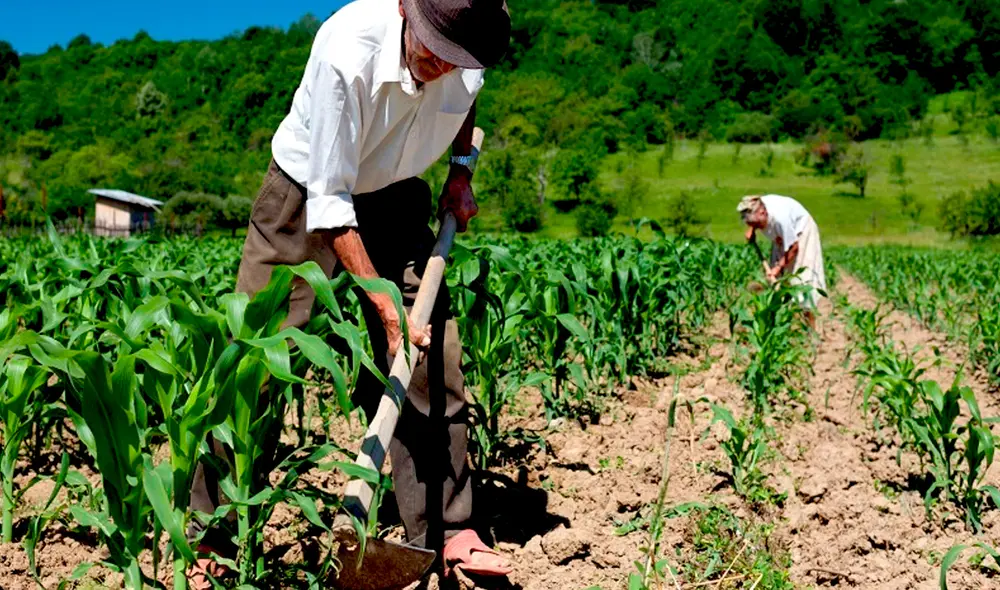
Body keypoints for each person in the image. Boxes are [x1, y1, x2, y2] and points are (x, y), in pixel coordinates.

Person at [186, 0, 513, 586]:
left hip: (398, 194)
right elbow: (330, 203)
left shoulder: (469, 44)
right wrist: (387, 310)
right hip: (306, 199)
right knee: (256, 360)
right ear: (406, 10)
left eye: (455, 60)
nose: (442, 67)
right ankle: (215, 529)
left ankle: (445, 525)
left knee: (432, 357)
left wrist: (459, 171)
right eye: (433, 51)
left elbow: (465, 102)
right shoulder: (347, 50)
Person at [737, 194, 826, 328]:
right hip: (782, 236)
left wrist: (778, 267)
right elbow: (752, 215)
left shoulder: (781, 219)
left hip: (802, 233)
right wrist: (752, 229)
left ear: (763, 213)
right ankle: (781, 325)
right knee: (776, 282)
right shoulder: (757, 206)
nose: (759, 228)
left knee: (801, 280)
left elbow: (794, 247)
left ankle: (810, 329)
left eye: (757, 224)